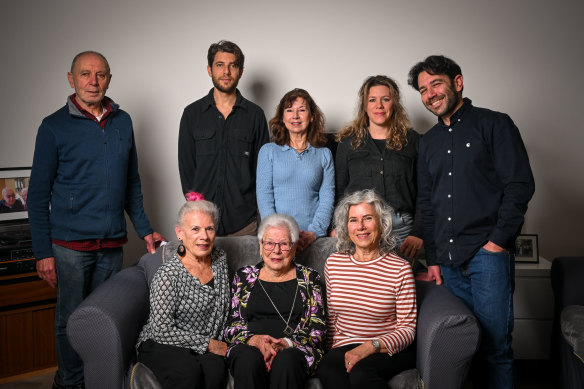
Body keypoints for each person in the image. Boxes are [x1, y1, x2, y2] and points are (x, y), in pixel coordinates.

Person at [27, 50, 164, 389]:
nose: (93, 81)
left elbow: (131, 184)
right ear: (71, 79)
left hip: (112, 244)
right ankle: (70, 382)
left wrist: (145, 231)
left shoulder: (123, 121)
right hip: (69, 247)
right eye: (85, 74)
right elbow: (37, 196)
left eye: (101, 74)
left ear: (109, 80)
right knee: (70, 319)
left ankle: (99, 382)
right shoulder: (53, 126)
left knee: (106, 319)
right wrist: (43, 252)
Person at [408, 55, 535, 389]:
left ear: (458, 83)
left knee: (496, 348)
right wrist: (433, 259)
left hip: (487, 255)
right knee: (461, 347)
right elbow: (428, 203)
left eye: (436, 83)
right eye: (423, 89)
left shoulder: (495, 124)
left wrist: (497, 242)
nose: (430, 94)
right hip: (448, 263)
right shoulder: (428, 143)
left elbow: (519, 185)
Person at [317, 189, 417, 389]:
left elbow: (407, 329)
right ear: (346, 226)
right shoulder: (334, 263)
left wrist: (370, 346)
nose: (360, 227)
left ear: (382, 223)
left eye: (368, 218)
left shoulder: (400, 269)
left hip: (386, 348)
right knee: (328, 368)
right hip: (345, 345)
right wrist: (328, 351)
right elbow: (332, 318)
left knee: (361, 374)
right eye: (353, 220)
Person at [223, 213, 326, 389]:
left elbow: (317, 330)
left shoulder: (310, 278)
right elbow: (232, 326)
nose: (276, 251)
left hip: (295, 350)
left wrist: (285, 344)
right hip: (250, 347)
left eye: (284, 244)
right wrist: (254, 341)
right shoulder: (244, 277)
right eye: (269, 243)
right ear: (261, 246)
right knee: (248, 359)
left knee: (287, 360)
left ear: (294, 247)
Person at [136, 198, 230, 389]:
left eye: (209, 228)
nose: (204, 236)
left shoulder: (220, 259)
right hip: (161, 342)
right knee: (188, 373)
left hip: (200, 344)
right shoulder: (168, 274)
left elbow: (224, 310)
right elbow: (161, 330)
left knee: (216, 370)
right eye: (195, 229)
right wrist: (209, 344)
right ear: (180, 233)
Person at [178, 40, 269, 236]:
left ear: (241, 71)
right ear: (210, 70)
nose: (226, 72)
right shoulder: (192, 114)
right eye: (220, 65)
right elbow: (186, 169)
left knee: (247, 269)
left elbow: (262, 172)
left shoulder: (255, 115)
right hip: (202, 225)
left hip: (244, 224)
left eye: (232, 65)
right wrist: (196, 211)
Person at [335, 75, 423, 260]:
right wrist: (337, 227)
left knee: (400, 285)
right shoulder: (348, 142)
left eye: (386, 99)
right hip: (360, 229)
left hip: (401, 229)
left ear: (394, 104)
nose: (379, 106)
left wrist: (418, 232)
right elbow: (339, 189)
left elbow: (425, 191)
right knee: (363, 286)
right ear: (364, 106)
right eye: (372, 100)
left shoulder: (413, 141)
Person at [256, 88, 335, 252]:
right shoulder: (268, 151)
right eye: (289, 110)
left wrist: (313, 233)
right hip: (277, 240)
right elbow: (264, 196)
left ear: (312, 116)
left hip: (314, 240)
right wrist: (277, 234)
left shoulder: (324, 154)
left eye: (302, 110)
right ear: (282, 117)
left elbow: (327, 198)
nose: (295, 116)